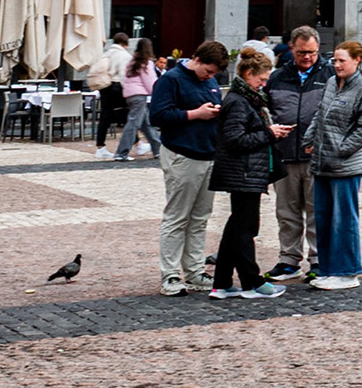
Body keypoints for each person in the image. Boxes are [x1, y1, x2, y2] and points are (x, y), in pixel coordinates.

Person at [149, 42, 227, 295]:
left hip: (208, 154)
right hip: (182, 155)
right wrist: (195, 114)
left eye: (214, 74)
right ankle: (170, 275)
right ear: (197, 59)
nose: (210, 77)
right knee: (177, 217)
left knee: (200, 218)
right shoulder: (171, 80)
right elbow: (157, 116)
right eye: (208, 71)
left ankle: (194, 271)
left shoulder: (210, 83)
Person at [208, 47, 282, 301]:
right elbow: (235, 140)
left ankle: (222, 282)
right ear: (248, 74)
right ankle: (251, 281)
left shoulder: (245, 98)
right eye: (261, 79)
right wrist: (269, 133)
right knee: (244, 229)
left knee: (236, 227)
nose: (263, 84)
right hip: (243, 172)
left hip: (247, 171)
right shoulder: (239, 101)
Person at [306, 41, 362, 289]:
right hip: (322, 162)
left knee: (343, 219)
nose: (336, 65)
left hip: (345, 165)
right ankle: (328, 269)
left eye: (341, 60)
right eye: (334, 60)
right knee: (323, 218)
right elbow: (320, 114)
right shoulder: (330, 83)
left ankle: (347, 271)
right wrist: (309, 139)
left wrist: (341, 149)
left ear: (356, 60)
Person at [263, 26, 331, 280]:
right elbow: (265, 110)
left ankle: (319, 259)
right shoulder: (277, 77)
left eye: (312, 52)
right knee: (286, 211)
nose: (307, 57)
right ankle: (289, 259)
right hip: (285, 153)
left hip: (317, 155)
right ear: (292, 48)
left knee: (317, 211)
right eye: (302, 52)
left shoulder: (330, 75)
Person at [113, 38, 162, 159]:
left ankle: (158, 149)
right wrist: (158, 94)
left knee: (146, 124)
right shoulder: (146, 63)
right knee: (133, 124)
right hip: (140, 96)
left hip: (130, 95)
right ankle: (121, 153)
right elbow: (150, 81)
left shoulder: (132, 62)